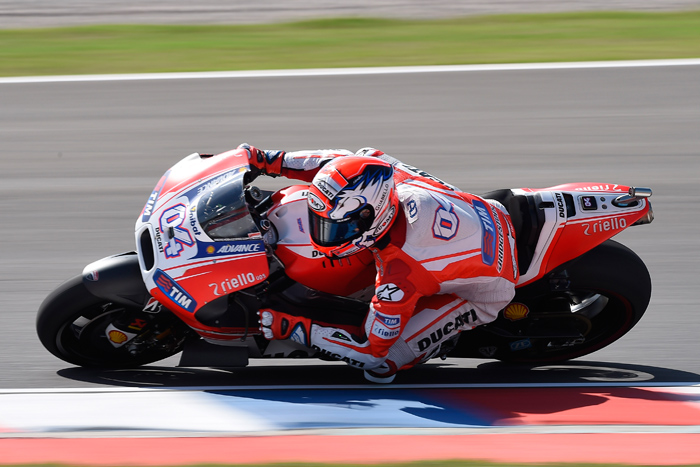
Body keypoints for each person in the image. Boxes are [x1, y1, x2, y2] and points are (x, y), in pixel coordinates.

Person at [240, 143, 519, 383]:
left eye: (334, 228)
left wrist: (295, 328)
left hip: (490, 286)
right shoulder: (382, 172)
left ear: (369, 216)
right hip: (486, 213)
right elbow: (333, 164)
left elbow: (372, 352)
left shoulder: (401, 271)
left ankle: (438, 341)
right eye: (318, 221)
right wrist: (263, 159)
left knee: (384, 366)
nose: (322, 234)